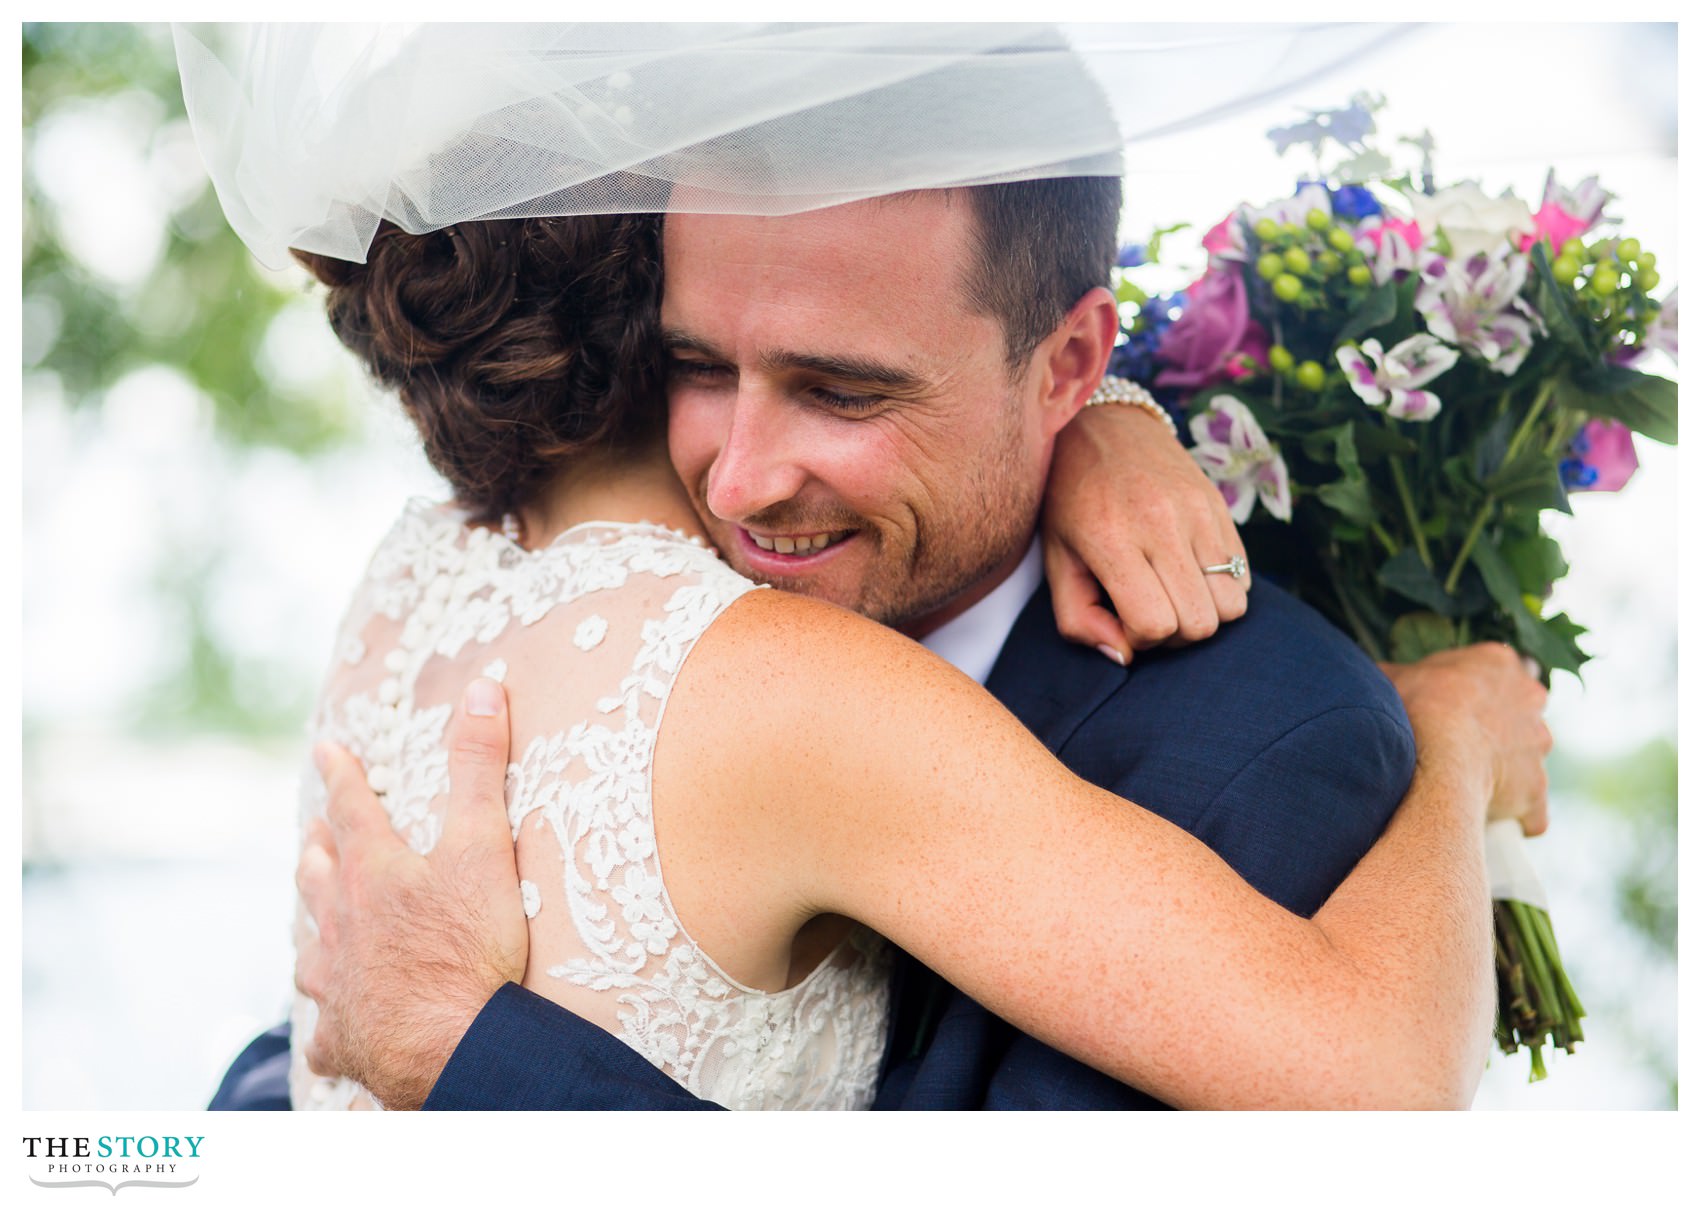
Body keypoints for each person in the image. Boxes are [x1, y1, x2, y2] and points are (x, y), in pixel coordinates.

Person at [208, 183, 1546, 1113]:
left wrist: (468, 1059)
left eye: (843, 391)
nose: (737, 482)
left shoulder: (433, 558)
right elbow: (310, 1054)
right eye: (697, 364)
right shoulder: (668, 633)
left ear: (1068, 358)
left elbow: (1384, 1097)